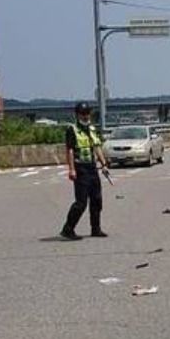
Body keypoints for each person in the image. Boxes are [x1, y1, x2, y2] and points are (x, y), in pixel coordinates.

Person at [59, 102, 111, 241]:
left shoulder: (92, 129)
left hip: (92, 168)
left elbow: (97, 147)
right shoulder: (72, 129)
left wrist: (104, 164)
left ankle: (96, 228)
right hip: (80, 168)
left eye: (87, 113)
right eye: (83, 113)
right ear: (77, 115)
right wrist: (71, 169)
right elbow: (69, 150)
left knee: (97, 200)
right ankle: (68, 229)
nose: (86, 116)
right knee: (81, 203)